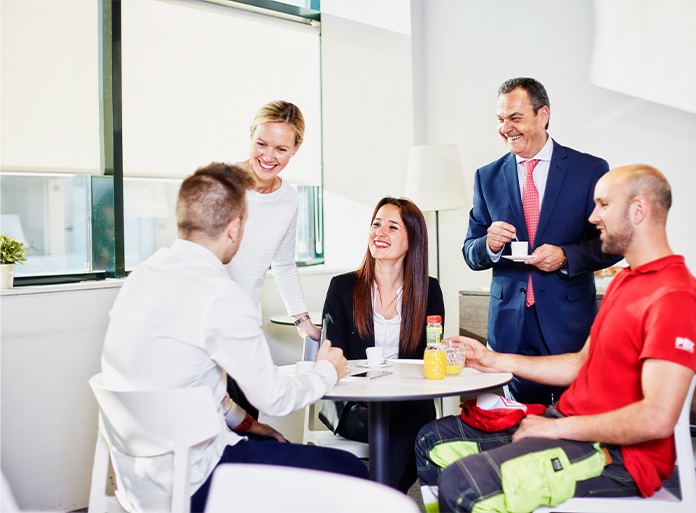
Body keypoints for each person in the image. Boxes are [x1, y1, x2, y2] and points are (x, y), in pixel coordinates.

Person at [415, 165, 696, 513]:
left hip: (616, 457)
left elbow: (657, 417)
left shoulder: (676, 297)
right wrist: (494, 359)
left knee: (462, 484)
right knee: (432, 440)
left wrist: (559, 430)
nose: (593, 216)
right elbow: (580, 363)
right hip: (570, 426)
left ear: (638, 210)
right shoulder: (626, 282)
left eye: (603, 204)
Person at [100, 163, 368, 513]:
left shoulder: (143, 278)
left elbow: (189, 388)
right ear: (234, 227)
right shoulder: (221, 295)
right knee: (349, 471)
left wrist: (250, 424)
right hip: (195, 483)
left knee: (275, 446)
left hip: (138, 484)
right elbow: (275, 398)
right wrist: (327, 370)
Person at [463, 77, 621, 405]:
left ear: (543, 115)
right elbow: (470, 250)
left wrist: (565, 256)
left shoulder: (589, 170)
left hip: (568, 324)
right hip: (510, 326)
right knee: (518, 423)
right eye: (500, 119)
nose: (505, 128)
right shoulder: (487, 177)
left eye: (515, 118)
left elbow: (612, 243)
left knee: (574, 418)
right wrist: (489, 244)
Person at [321, 197, 444, 492]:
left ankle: (375, 501)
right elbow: (331, 355)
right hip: (353, 405)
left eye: (392, 226)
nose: (380, 232)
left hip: (408, 402)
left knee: (407, 421)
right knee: (406, 431)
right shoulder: (342, 287)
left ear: (412, 239)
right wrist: (362, 388)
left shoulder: (429, 291)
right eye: (376, 224)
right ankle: (387, 499)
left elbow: (432, 355)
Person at [224, 100, 321, 424]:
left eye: (280, 148)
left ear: (296, 148)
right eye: (261, 144)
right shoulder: (222, 185)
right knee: (213, 417)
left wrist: (303, 322)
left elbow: (283, 263)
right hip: (208, 317)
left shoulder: (288, 199)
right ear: (250, 134)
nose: (268, 157)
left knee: (248, 414)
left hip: (246, 322)